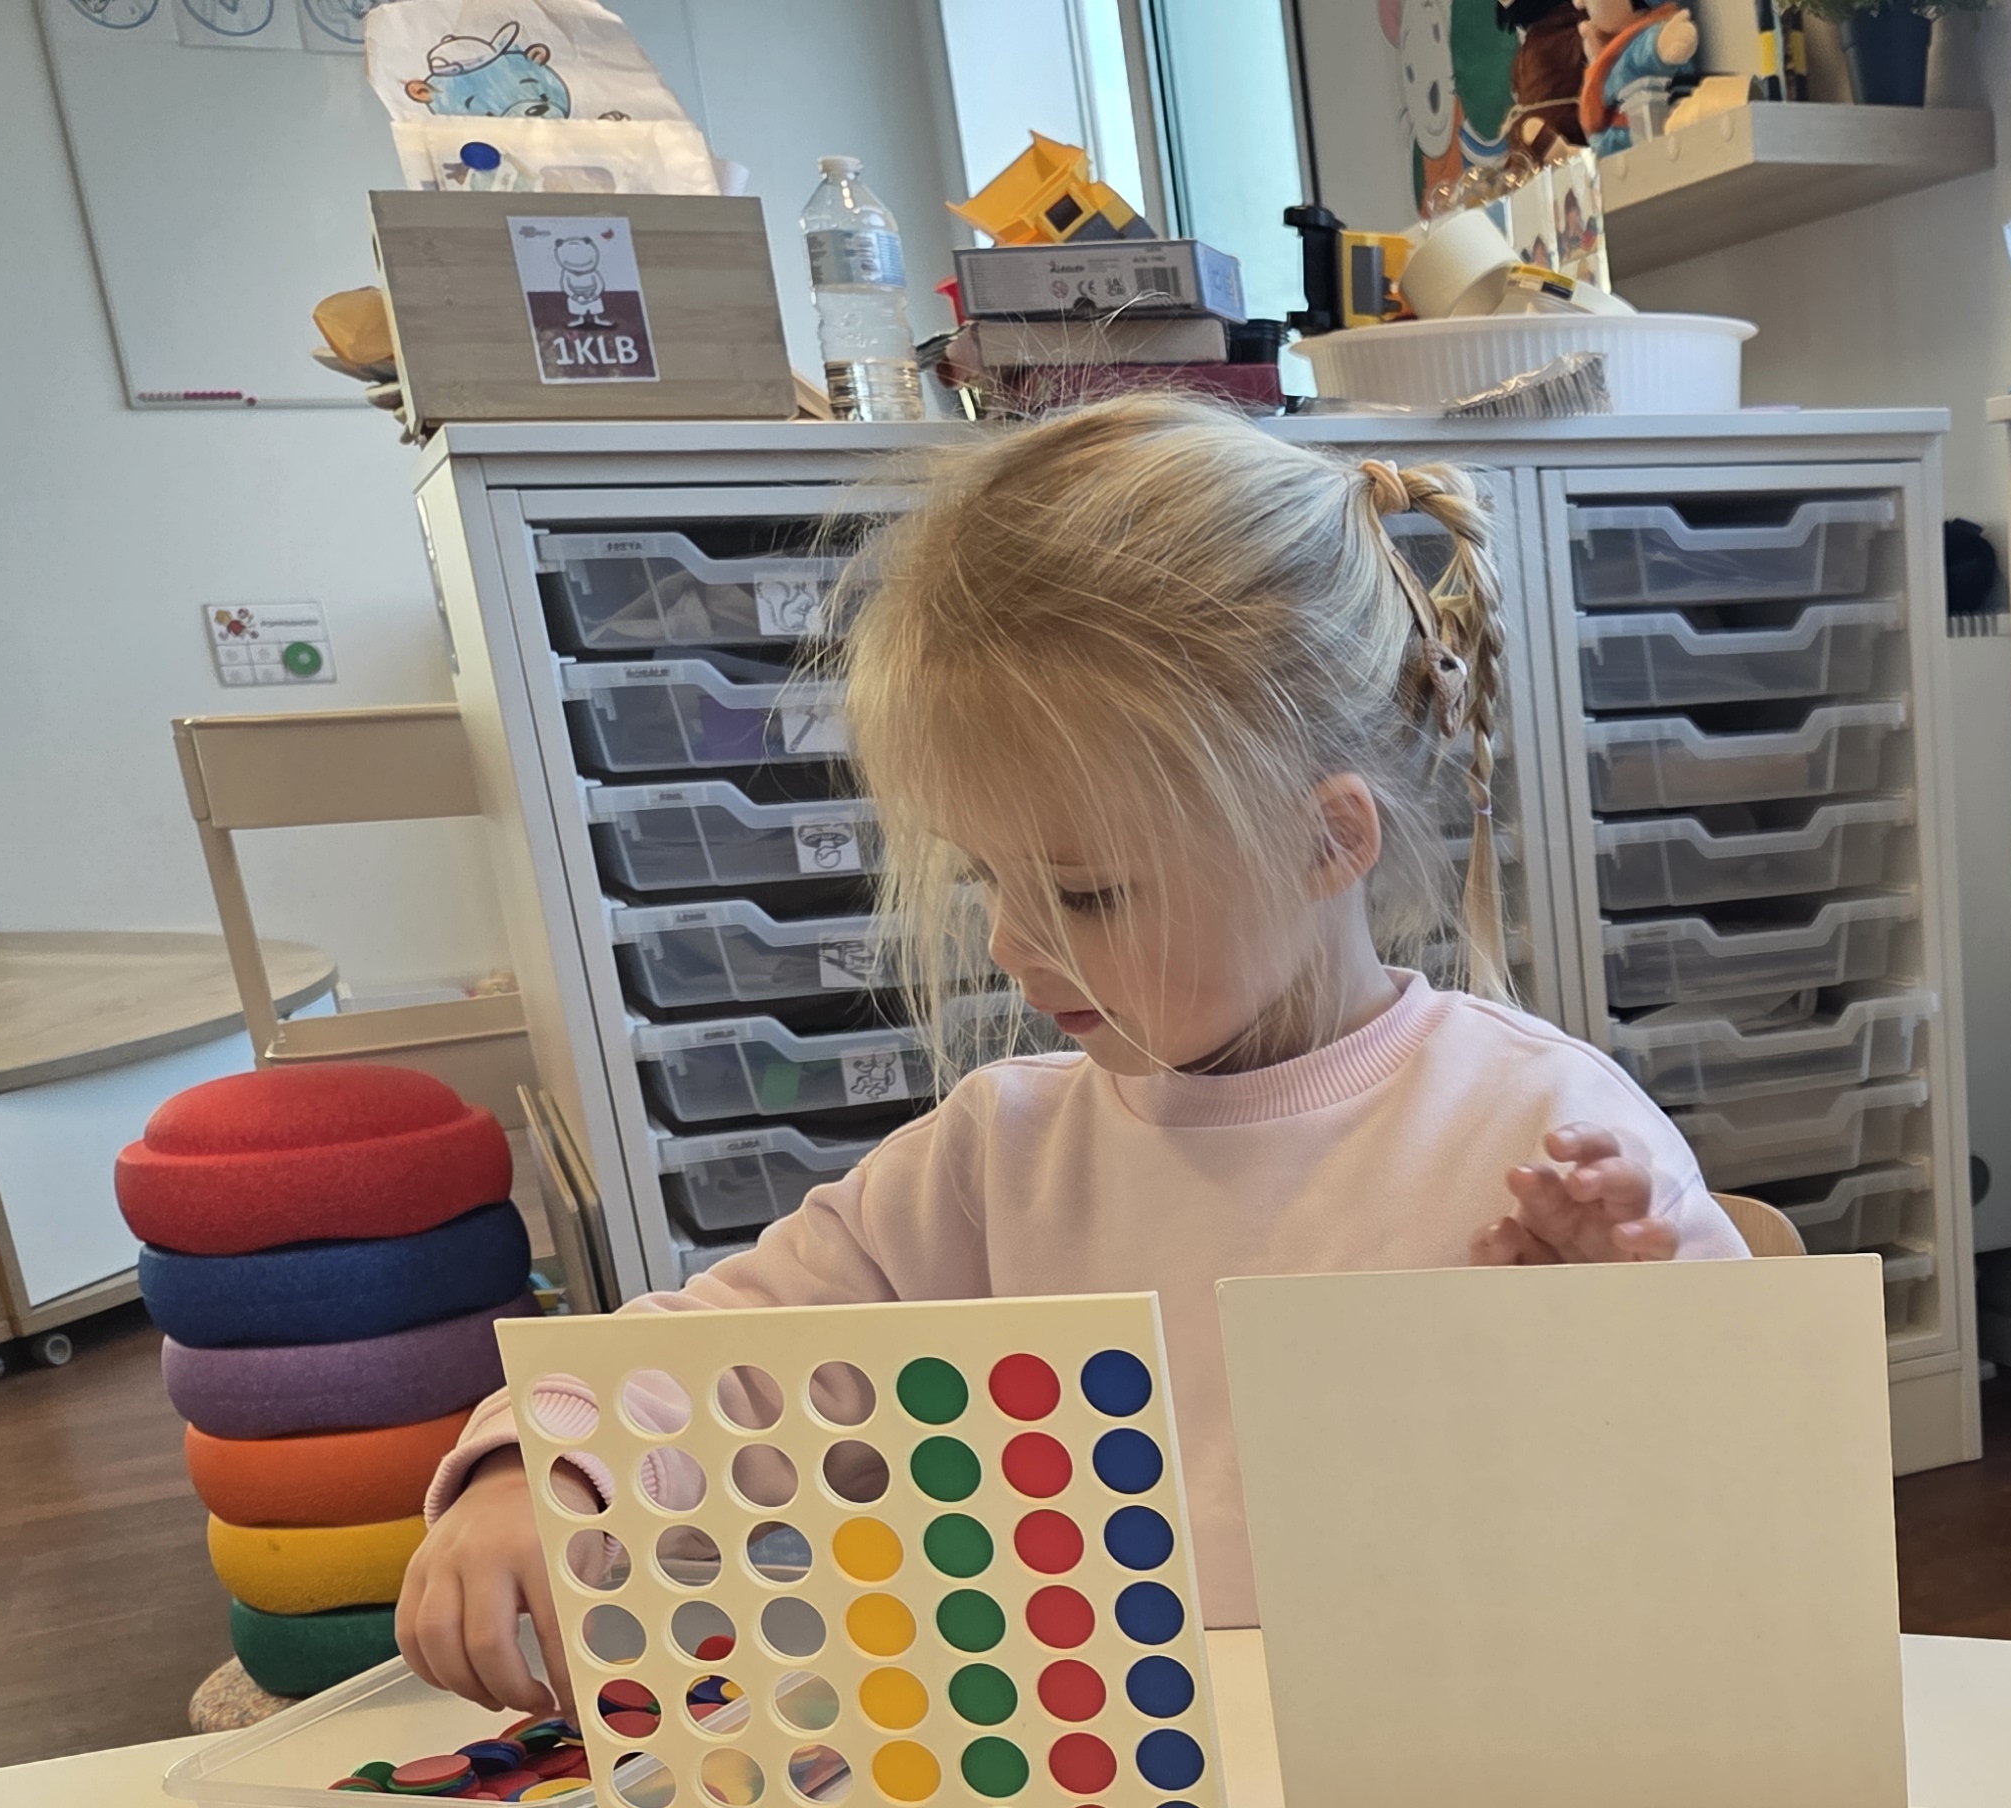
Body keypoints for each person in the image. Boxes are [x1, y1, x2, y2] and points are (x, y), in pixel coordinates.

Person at [401, 395, 1742, 1706]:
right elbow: (718, 1365)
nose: (1008, 945)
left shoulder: (1534, 1129)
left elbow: (1746, 1492)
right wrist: (541, 1467)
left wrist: (1636, 1326)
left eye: (1086, 892)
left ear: (1327, 839)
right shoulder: (996, 1163)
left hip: (1456, 1786)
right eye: (984, 876)